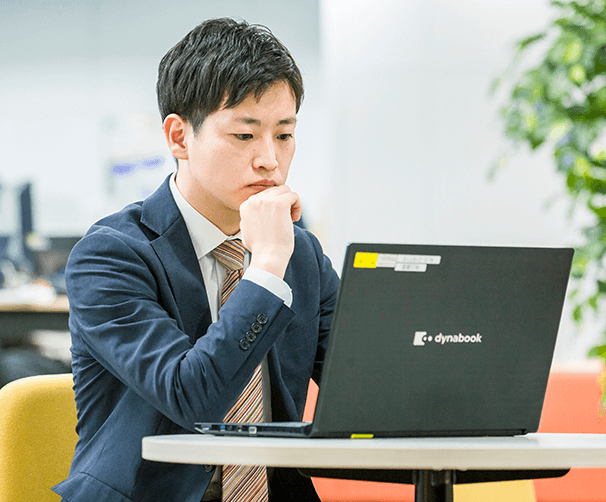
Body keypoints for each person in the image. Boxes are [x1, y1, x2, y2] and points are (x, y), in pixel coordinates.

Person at [53, 18, 339, 502]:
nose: (270, 160)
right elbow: (193, 397)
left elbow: (364, 385)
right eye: (245, 136)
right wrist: (265, 269)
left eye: (284, 135)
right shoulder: (110, 255)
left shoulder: (301, 253)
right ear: (179, 137)